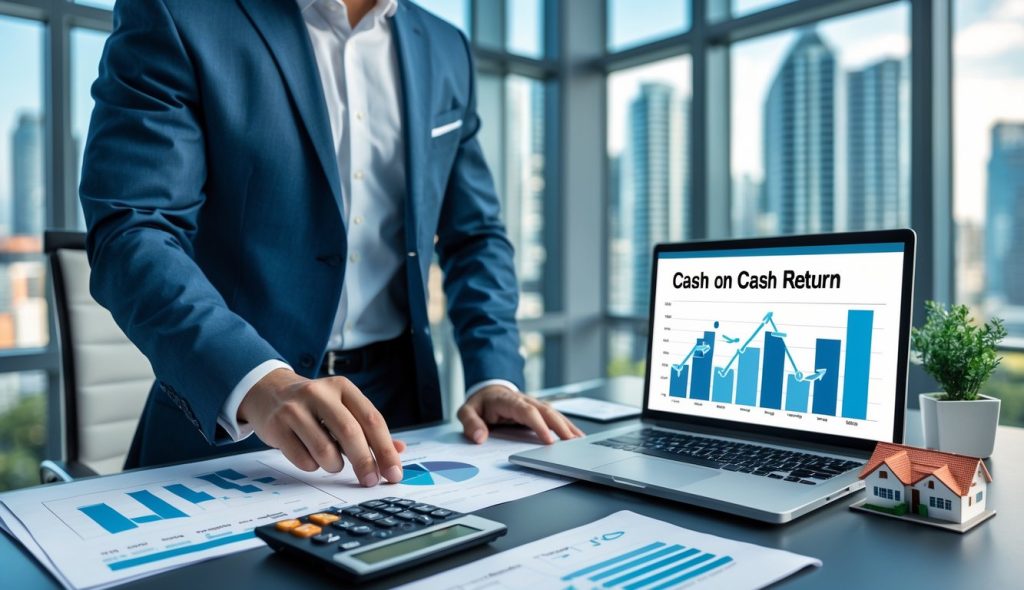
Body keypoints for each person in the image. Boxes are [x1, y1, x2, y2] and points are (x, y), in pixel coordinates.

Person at [79, 0, 582, 486]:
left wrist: (493, 377)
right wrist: (257, 378)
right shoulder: (179, 11)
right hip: (239, 415)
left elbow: (475, 236)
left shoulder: (446, 47)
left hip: (400, 415)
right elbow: (133, 229)